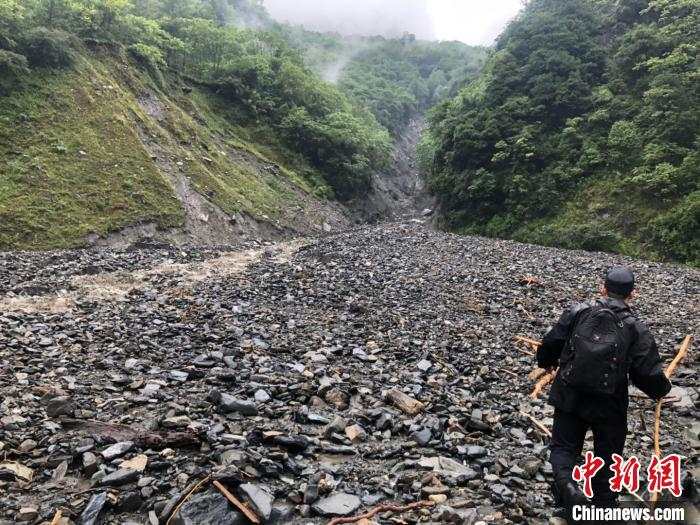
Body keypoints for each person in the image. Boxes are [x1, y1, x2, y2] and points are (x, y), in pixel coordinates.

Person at [536, 266, 672, 521]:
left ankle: (568, 489)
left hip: (570, 393)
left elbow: (551, 342)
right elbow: (648, 373)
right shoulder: (635, 327)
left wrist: (546, 362)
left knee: (563, 449)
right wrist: (661, 391)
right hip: (610, 402)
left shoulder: (578, 311)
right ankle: (604, 508)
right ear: (632, 294)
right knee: (608, 457)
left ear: (602, 287)